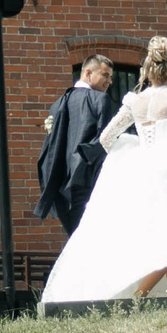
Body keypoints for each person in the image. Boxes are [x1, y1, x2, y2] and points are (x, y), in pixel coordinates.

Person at [40, 36, 167, 304]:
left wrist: (128, 151)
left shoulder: (132, 101)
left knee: (150, 229)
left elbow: (106, 138)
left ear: (148, 71)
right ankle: (149, 294)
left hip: (142, 167)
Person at [33, 55, 114, 233]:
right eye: (105, 75)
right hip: (88, 182)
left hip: (60, 188)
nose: (109, 81)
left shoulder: (57, 105)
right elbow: (105, 140)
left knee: (76, 242)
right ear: (88, 72)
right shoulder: (100, 100)